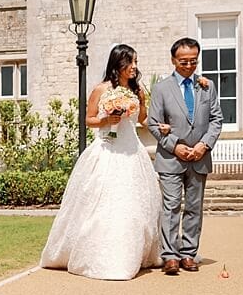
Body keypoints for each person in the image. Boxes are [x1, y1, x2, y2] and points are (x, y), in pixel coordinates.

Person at [40, 44, 163, 280]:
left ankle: (135, 253)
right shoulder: (101, 89)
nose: (135, 67)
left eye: (136, 62)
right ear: (118, 64)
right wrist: (108, 119)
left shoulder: (138, 91)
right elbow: (88, 120)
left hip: (132, 151)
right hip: (107, 149)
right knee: (100, 201)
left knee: (134, 203)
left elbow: (144, 118)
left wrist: (161, 127)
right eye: (131, 62)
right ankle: (98, 255)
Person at [148, 37, 223, 275]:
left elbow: (216, 120)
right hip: (171, 158)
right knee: (171, 206)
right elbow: (153, 123)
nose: (189, 66)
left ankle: (188, 254)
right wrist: (175, 146)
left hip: (199, 158)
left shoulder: (207, 86)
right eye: (183, 62)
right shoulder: (161, 89)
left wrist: (204, 145)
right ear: (173, 60)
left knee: (194, 207)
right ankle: (170, 256)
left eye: (193, 61)